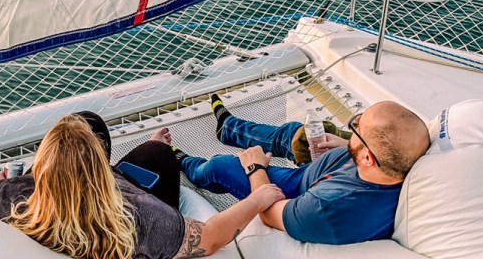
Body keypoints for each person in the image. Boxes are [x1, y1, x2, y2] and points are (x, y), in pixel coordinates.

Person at [0, 113, 284, 259]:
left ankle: (85, 163)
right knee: (157, 154)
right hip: (115, 200)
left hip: (54, 201)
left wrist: (5, 183)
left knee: (87, 122)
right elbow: (211, 237)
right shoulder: (139, 220)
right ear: (99, 172)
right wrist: (258, 194)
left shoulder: (2, 200)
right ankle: (152, 148)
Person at [164, 96, 430, 246]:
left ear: (368, 158)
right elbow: (377, 149)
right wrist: (346, 144)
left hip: (300, 190)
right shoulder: (393, 162)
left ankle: (182, 161)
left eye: (358, 126)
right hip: (321, 171)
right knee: (296, 135)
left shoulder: (328, 208)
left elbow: (269, 213)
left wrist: (255, 166)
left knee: (219, 166)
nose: (354, 123)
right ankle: (230, 127)